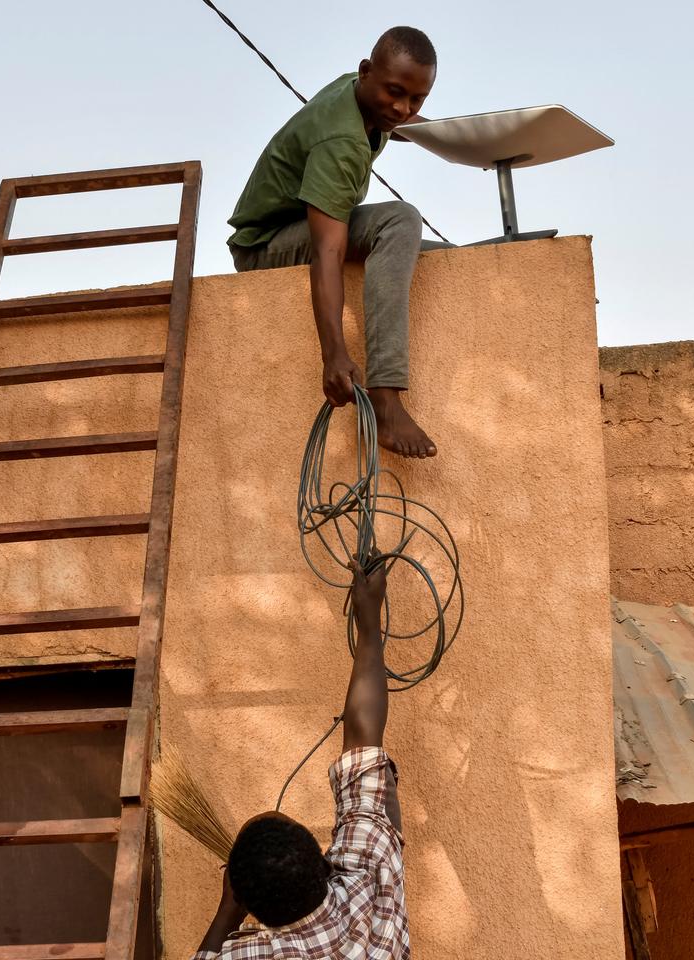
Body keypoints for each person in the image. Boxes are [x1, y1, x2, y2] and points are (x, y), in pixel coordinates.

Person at [227, 26, 443, 460]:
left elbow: (401, 119)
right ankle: (385, 399)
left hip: (304, 224)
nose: (402, 108)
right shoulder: (339, 143)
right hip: (265, 245)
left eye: (416, 99)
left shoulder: (362, 95)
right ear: (366, 72)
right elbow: (328, 252)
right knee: (400, 221)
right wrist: (334, 355)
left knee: (439, 254)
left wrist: (472, 135)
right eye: (395, 93)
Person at [191, 559, 408, 958]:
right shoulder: (370, 874)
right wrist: (369, 625)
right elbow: (363, 737)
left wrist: (227, 914)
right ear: (327, 866)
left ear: (247, 906)